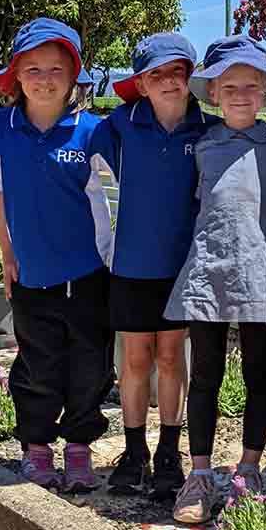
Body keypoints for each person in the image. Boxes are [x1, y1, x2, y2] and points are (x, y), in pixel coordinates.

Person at [0, 17, 113, 493]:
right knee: (36, 366)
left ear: (74, 75)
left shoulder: (93, 131)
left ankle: (78, 449)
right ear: (16, 75)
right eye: (32, 67)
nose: (44, 78)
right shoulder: (0, 128)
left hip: (90, 275)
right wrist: (7, 255)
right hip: (31, 276)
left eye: (56, 68)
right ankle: (36, 449)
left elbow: (125, 194)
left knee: (91, 366)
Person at [164, 36, 266, 524]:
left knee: (259, 371)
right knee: (207, 374)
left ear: (265, 93)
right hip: (207, 269)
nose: (241, 94)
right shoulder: (201, 145)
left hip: (257, 270)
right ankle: (199, 476)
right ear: (214, 92)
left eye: (251, 86)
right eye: (230, 85)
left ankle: (249, 470)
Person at [89, 33, 220, 499]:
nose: (168, 81)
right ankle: (133, 449)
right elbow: (87, 184)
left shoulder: (207, 130)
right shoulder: (118, 127)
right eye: (156, 74)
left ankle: (169, 450)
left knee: (171, 358)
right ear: (141, 84)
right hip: (130, 267)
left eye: (177, 71)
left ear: (191, 77)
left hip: (183, 269)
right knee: (135, 359)